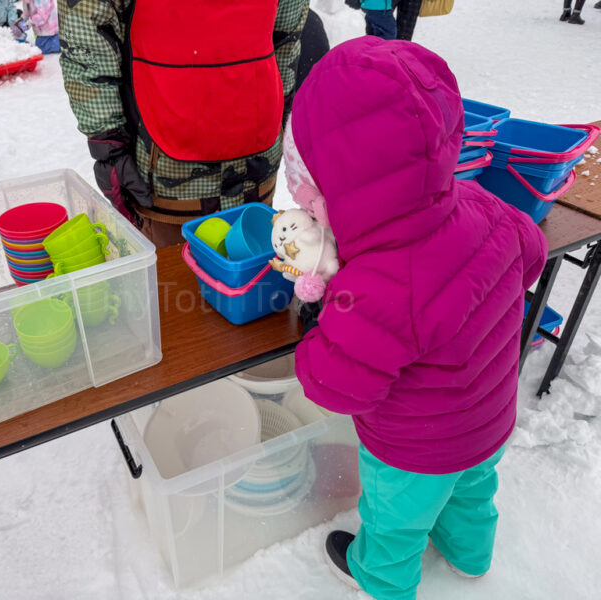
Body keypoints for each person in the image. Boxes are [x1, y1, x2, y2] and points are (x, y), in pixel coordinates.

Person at [287, 37, 547, 599]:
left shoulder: (376, 284)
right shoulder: (485, 205)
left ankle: (381, 579)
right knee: (474, 494)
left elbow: (333, 385)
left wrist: (319, 319)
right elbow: (531, 254)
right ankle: (472, 557)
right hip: (490, 423)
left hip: (414, 451)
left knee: (395, 522)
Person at [59, 0, 309, 248]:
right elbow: (87, 44)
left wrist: (282, 114)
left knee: (254, 274)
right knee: (176, 280)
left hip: (252, 165)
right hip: (169, 176)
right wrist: (109, 147)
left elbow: (286, 35)